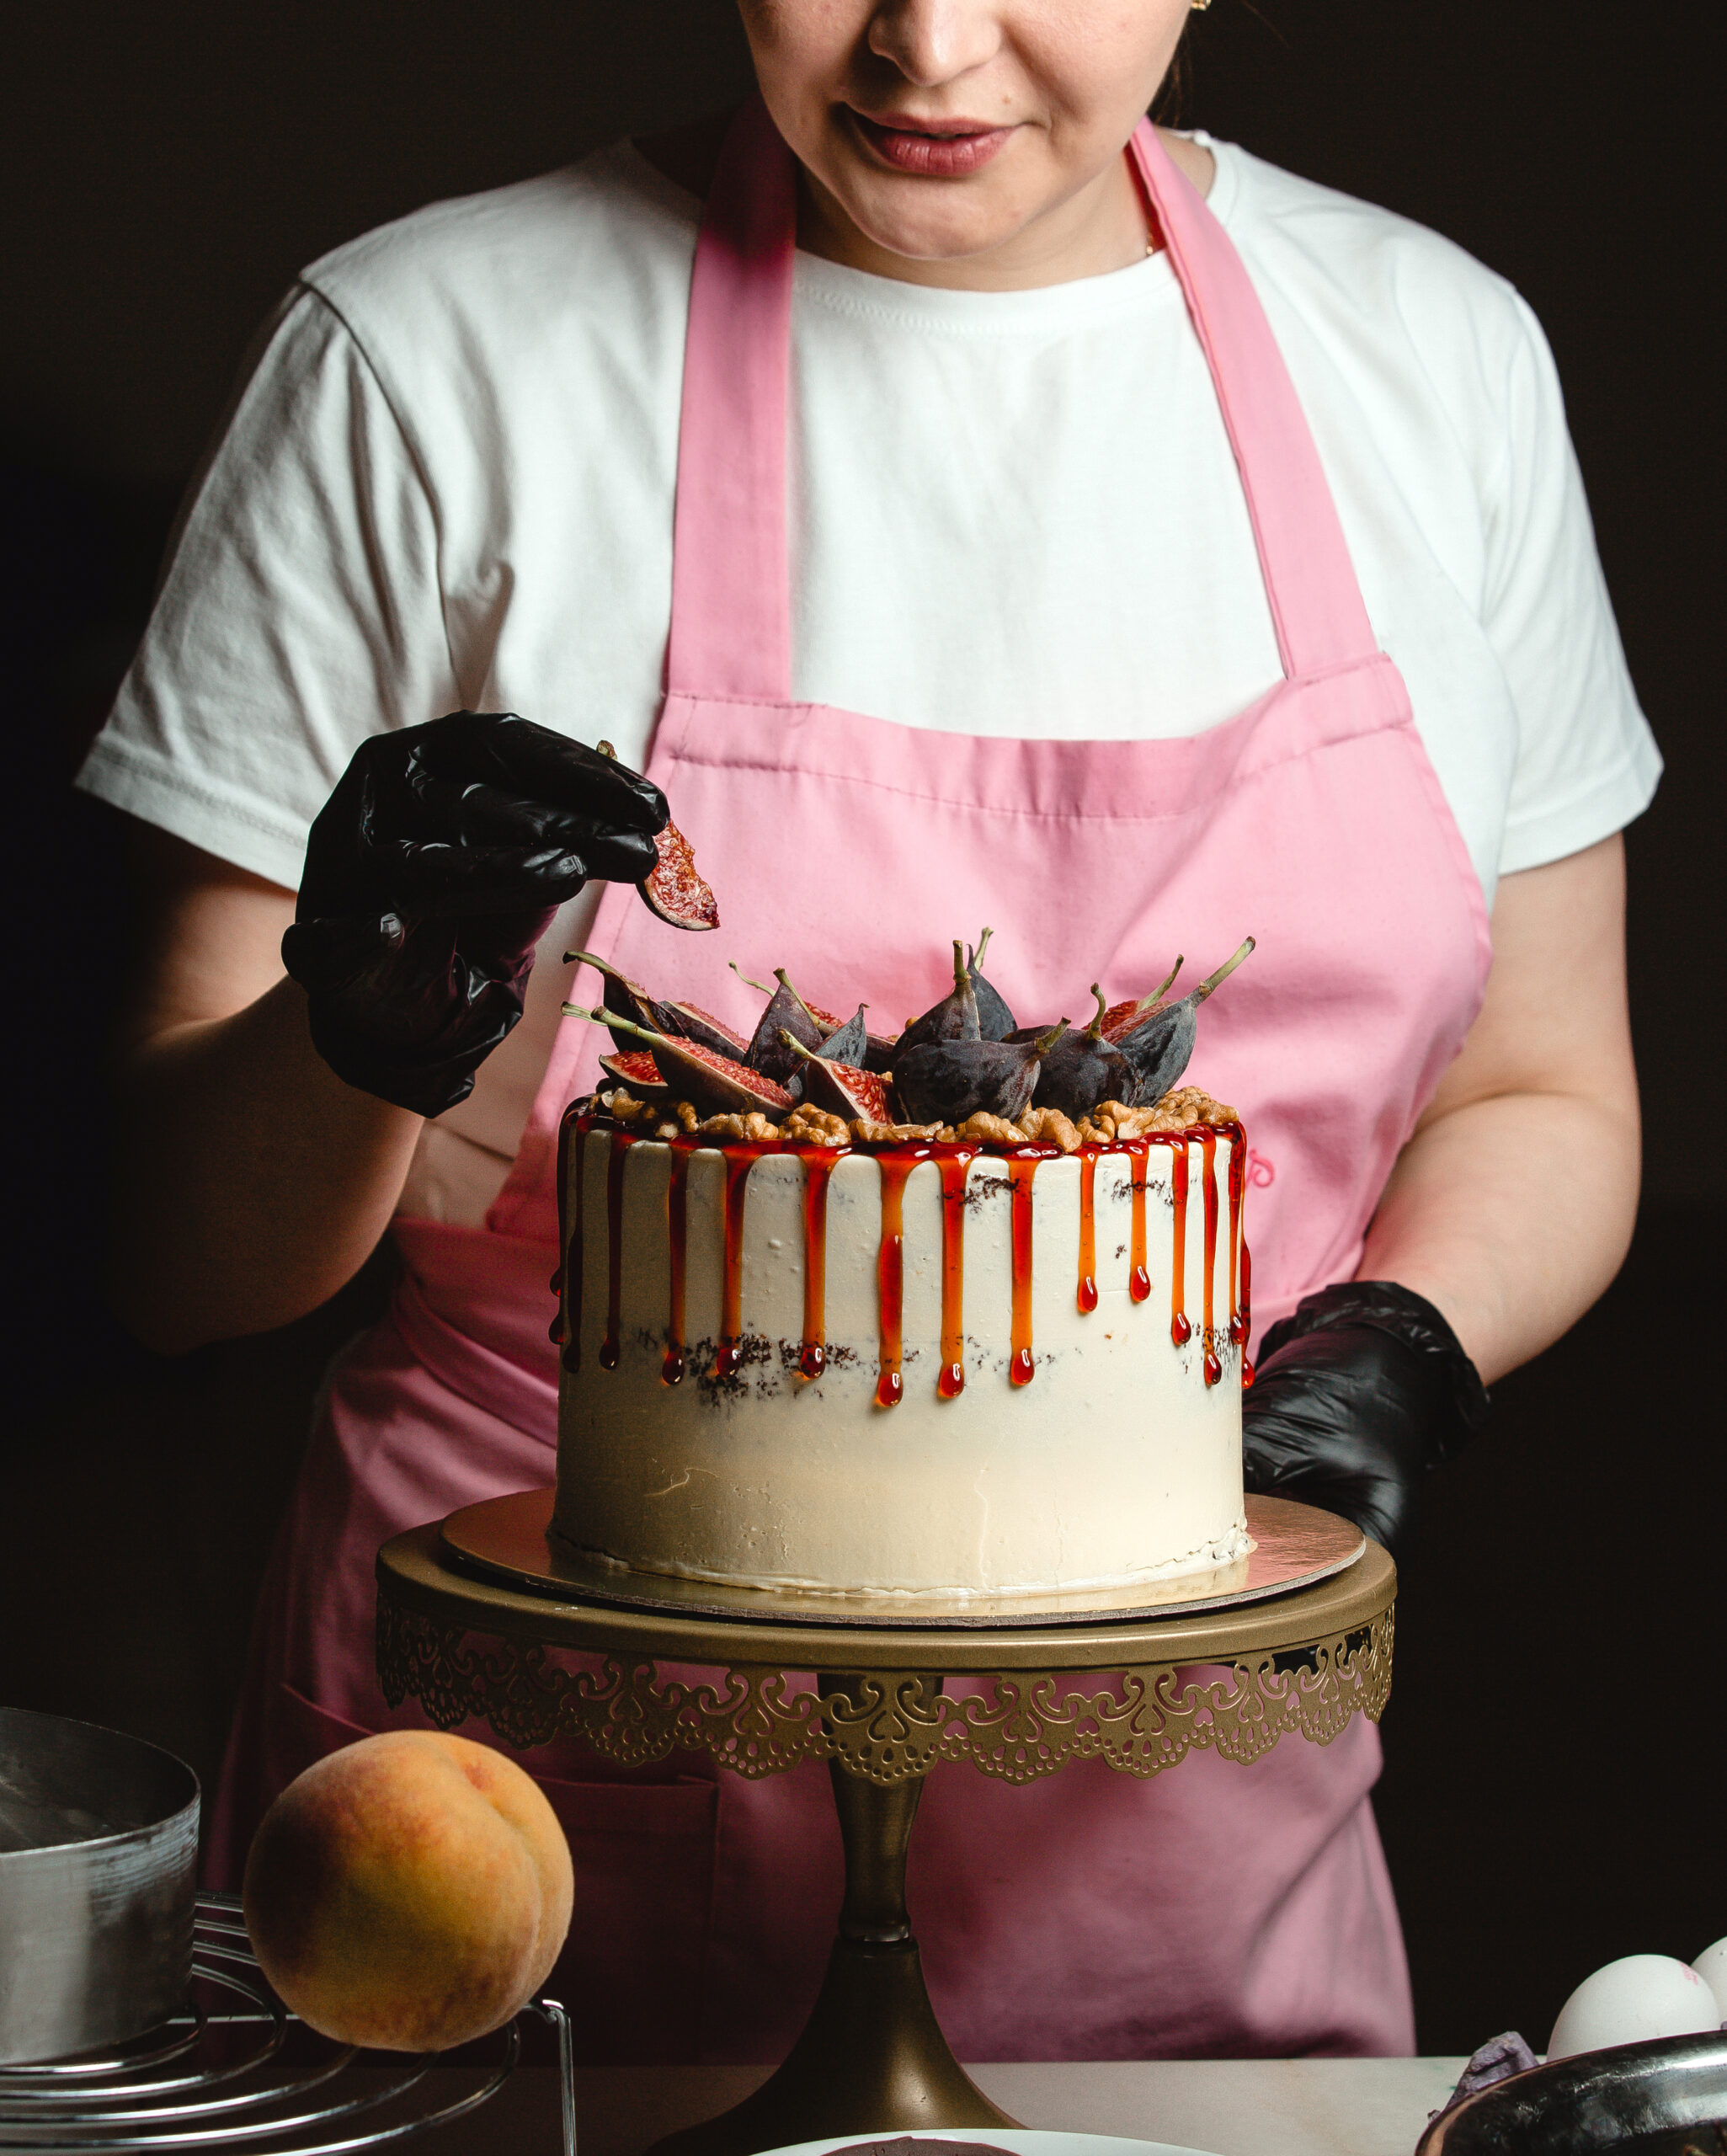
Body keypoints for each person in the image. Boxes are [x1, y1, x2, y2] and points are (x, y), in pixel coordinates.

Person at [83, 0, 1655, 2066]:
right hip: (502, 1854)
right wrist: (352, 1032)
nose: (926, 43)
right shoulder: (425, 358)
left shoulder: (1435, 360)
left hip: (1186, 1877)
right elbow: (168, 1260)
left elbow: (1550, 1081)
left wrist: (1408, 1331)